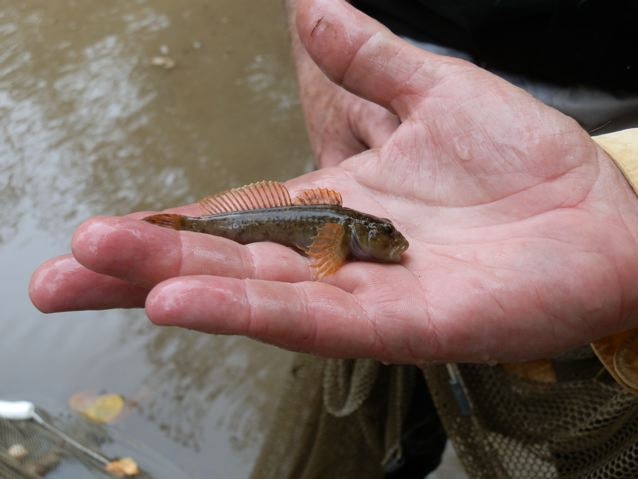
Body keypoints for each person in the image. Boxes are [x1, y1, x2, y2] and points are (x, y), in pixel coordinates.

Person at [29, 0, 638, 476]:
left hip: (604, 131)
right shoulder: (342, 225)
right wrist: (324, 72)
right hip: (389, 96)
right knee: (344, 403)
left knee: (577, 419)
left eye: (385, 236)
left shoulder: (356, 229)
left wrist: (625, 181)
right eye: (382, 235)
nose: (393, 242)